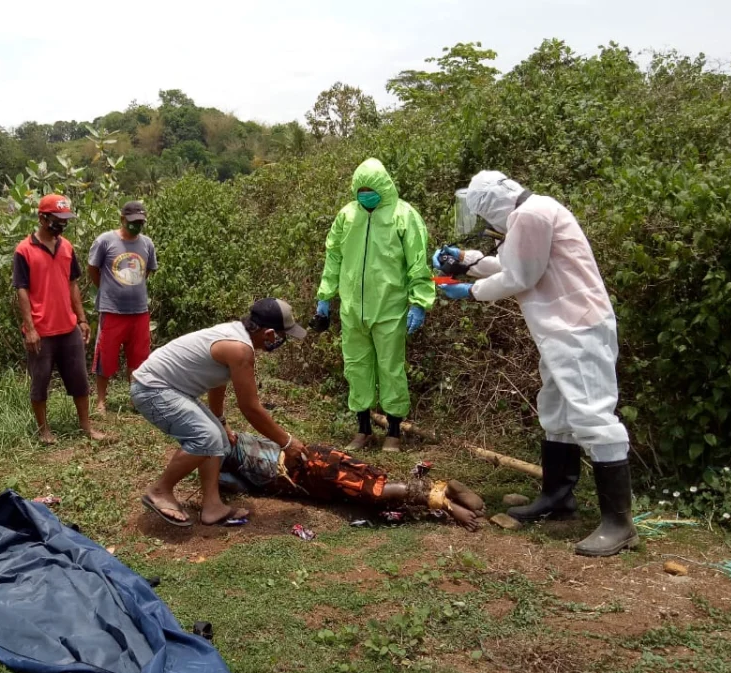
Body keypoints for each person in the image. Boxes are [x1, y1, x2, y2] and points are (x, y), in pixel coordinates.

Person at [435, 170, 638, 557]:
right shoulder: (530, 213)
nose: (485, 222)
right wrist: (465, 261)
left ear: (491, 203)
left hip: (579, 327)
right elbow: (514, 262)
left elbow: (519, 275)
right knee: (557, 411)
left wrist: (470, 290)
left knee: (593, 416)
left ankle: (619, 524)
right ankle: (558, 497)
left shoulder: (532, 215)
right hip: (562, 330)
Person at [133, 298, 308, 527]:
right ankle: (160, 491)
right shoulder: (240, 349)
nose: (282, 341)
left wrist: (220, 420)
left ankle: (212, 506)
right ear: (270, 333)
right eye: (283, 336)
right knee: (206, 437)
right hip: (152, 389)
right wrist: (287, 443)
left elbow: (217, 380)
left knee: (219, 438)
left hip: (170, 390)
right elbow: (251, 408)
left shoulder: (236, 337)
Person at [313, 158, 434, 451]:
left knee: (391, 368)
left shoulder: (403, 215)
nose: (365, 194)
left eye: (371, 188)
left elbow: (418, 262)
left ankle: (393, 431)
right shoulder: (347, 216)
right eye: (361, 189)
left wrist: (419, 302)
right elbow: (334, 258)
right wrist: (324, 297)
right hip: (353, 307)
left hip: (390, 306)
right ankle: (363, 429)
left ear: (383, 186)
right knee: (356, 367)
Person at [219, 433, 487, 531]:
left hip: (301, 472)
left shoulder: (223, 453)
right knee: (372, 487)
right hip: (311, 459)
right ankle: (441, 496)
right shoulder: (236, 437)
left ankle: (444, 498)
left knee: (374, 492)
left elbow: (236, 485)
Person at [14, 194, 105, 444]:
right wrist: (30, 328)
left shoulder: (67, 247)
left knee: (80, 380)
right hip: (41, 330)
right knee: (40, 382)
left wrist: (82, 319)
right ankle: (44, 431)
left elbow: (73, 284)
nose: (61, 225)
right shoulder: (24, 250)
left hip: (68, 327)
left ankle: (86, 427)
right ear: (42, 218)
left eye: (65, 220)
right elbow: (21, 290)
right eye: (57, 219)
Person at [87, 200, 158, 414]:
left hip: (139, 311)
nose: (136, 226)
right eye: (132, 222)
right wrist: (108, 289)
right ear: (122, 219)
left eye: (140, 222)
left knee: (138, 359)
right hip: (112, 311)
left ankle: (136, 400)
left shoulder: (147, 244)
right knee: (105, 357)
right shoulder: (105, 241)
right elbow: (93, 269)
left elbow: (147, 271)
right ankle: (101, 401)